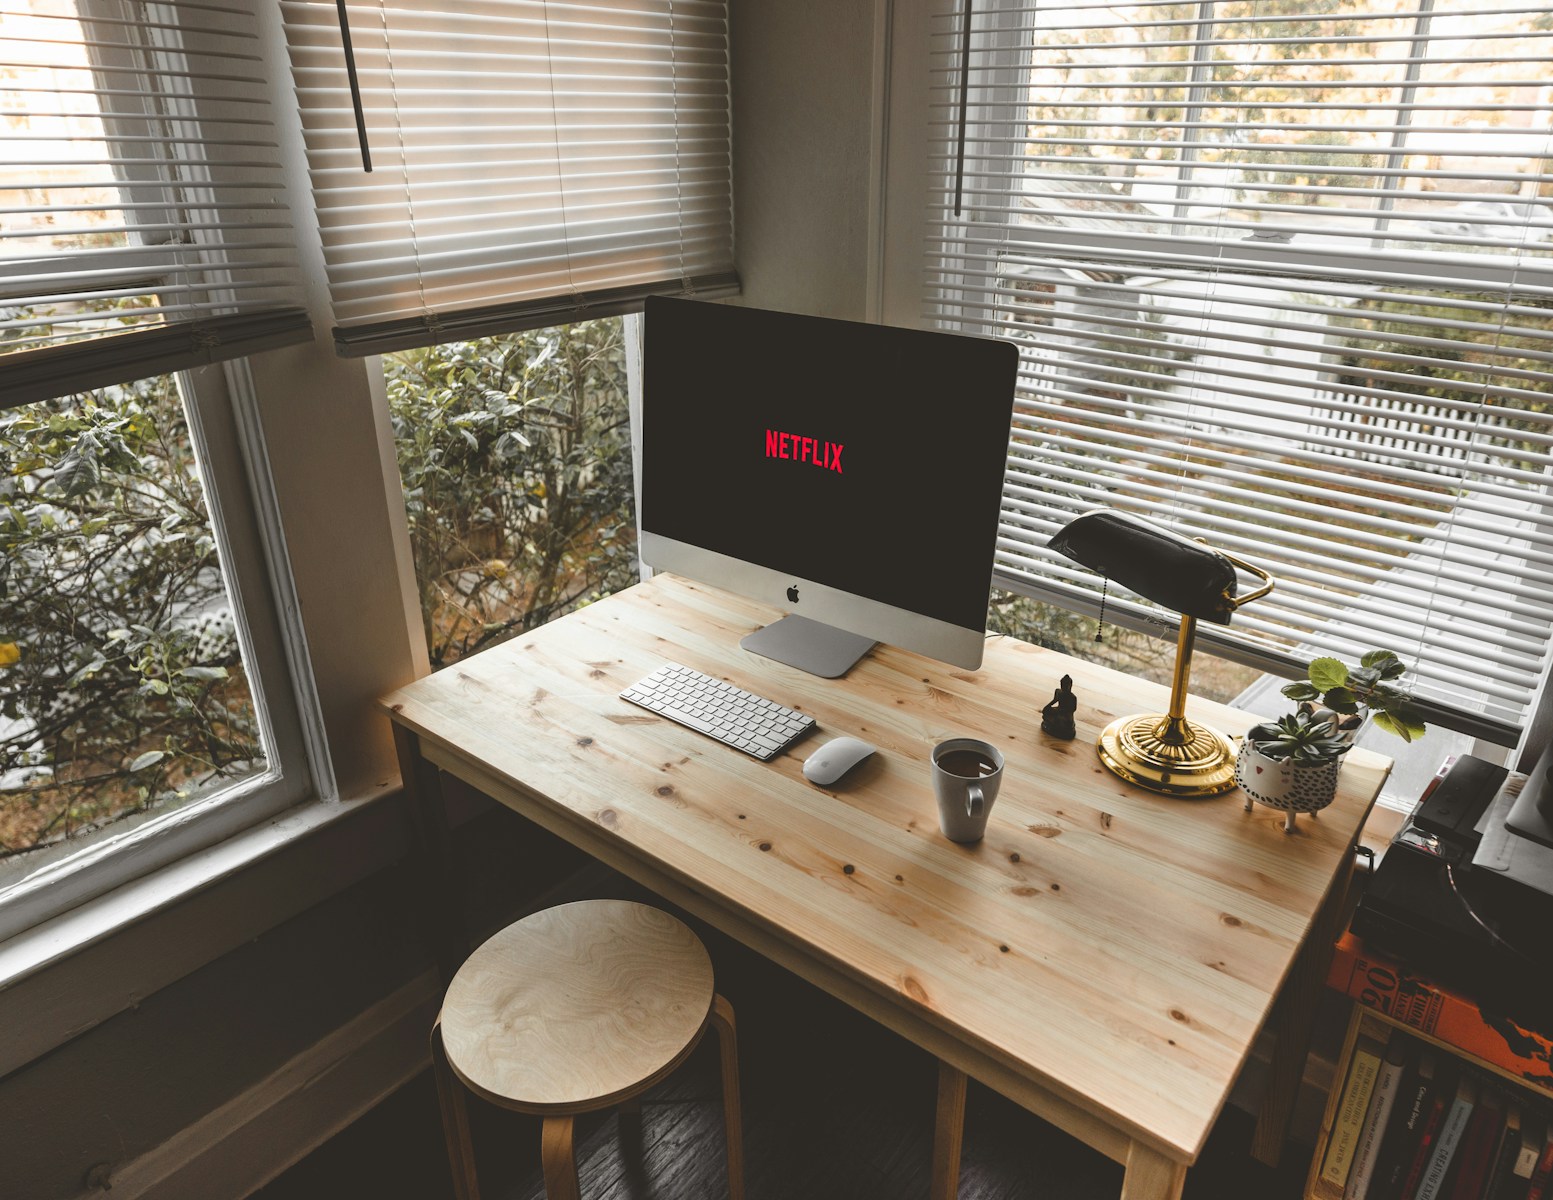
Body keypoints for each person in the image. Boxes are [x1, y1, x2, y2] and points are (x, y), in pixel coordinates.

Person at [1041, 674, 1077, 739]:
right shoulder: (1058, 692)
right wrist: (1047, 707)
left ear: (1070, 686)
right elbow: (1054, 700)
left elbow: (1072, 710)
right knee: (1046, 712)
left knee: (1065, 723)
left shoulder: (1072, 697)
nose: (1064, 687)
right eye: (1062, 685)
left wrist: (1060, 712)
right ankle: (1054, 723)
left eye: (1066, 686)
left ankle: (1057, 725)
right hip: (1058, 710)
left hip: (1066, 715)